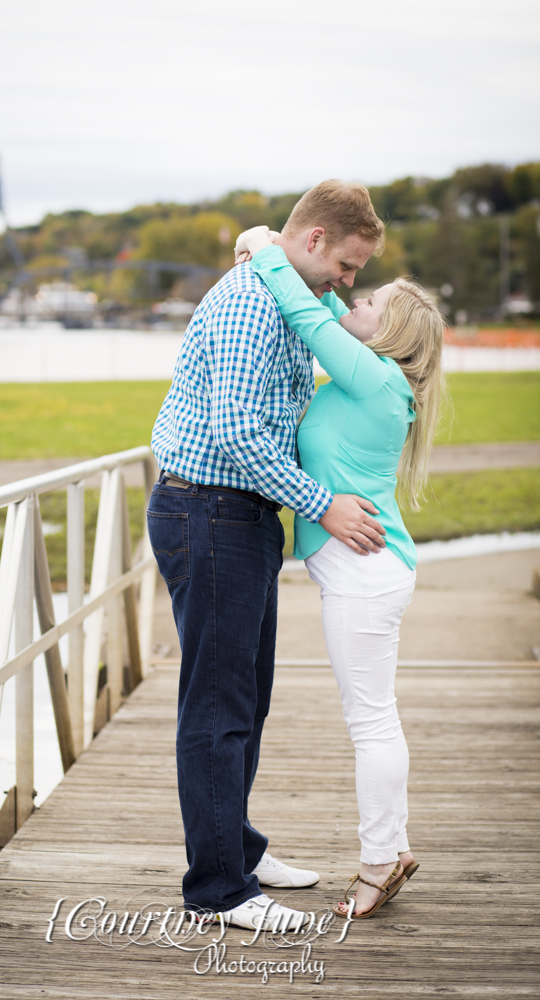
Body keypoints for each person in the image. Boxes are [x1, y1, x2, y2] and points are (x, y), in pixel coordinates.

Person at [147, 181, 387, 931]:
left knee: (244, 698)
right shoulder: (255, 304)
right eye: (347, 265)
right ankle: (219, 890)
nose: (350, 282)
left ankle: (237, 851)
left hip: (235, 515)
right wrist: (325, 505)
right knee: (217, 707)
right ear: (314, 240)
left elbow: (326, 318)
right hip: (210, 509)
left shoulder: (280, 286)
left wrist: (259, 240)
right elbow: (240, 437)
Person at [233, 224, 445, 918]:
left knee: (371, 723)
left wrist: (267, 252)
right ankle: (395, 846)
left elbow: (305, 313)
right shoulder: (375, 373)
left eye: (372, 301)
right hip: (362, 568)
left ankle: (378, 862)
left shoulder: (375, 377)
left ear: (388, 334)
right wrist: (265, 252)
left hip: (364, 571)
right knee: (374, 718)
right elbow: (321, 309)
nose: (351, 296)